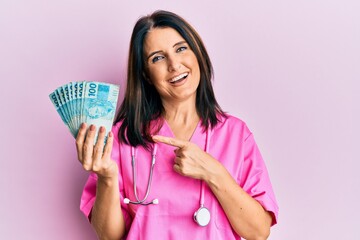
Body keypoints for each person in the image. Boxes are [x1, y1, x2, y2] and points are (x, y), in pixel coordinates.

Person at [76, 10, 279, 240]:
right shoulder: (121, 139)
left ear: (197, 54)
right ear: (146, 74)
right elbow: (110, 236)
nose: (174, 64)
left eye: (181, 49)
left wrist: (214, 172)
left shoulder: (236, 134)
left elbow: (259, 231)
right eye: (157, 58)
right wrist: (107, 178)